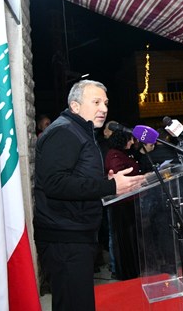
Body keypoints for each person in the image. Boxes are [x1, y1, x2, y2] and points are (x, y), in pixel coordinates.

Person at [34, 80, 144, 311]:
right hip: (65, 237)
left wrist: (106, 182)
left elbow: (75, 177)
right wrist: (109, 187)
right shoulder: (64, 132)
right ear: (75, 106)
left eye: (105, 103)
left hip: (75, 232)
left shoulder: (79, 130)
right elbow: (54, 183)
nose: (104, 108)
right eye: (96, 102)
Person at [105, 129, 142, 280]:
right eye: (130, 139)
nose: (133, 142)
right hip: (121, 203)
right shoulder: (114, 155)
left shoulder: (123, 154)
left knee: (131, 238)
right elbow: (118, 176)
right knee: (123, 240)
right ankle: (124, 271)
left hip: (130, 200)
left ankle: (133, 269)